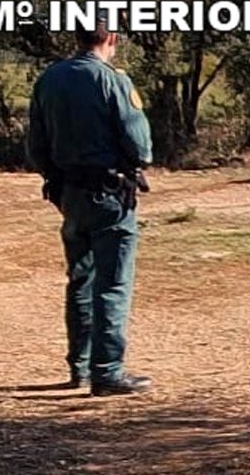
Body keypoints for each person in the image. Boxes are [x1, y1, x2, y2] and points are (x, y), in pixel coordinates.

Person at [25, 28, 154, 396]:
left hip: (69, 193)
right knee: (112, 282)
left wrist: (56, 178)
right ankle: (108, 372)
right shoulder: (113, 80)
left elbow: (36, 142)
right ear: (111, 38)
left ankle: (79, 367)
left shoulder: (50, 78)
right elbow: (140, 145)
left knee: (80, 278)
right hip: (109, 194)